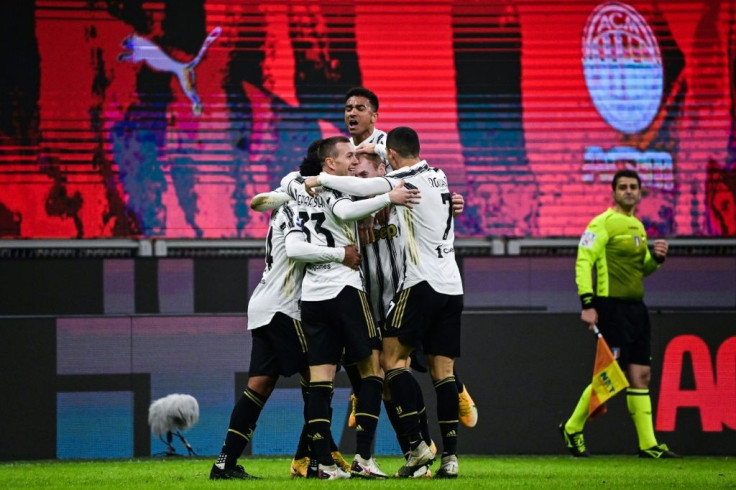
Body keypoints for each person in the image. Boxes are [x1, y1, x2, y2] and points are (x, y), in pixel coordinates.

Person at [306, 127, 465, 478]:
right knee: (394, 378)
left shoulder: (397, 191)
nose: (357, 177)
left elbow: (370, 189)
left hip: (411, 293)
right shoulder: (434, 177)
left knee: (393, 366)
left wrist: (319, 179)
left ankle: (414, 448)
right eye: (353, 171)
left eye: (364, 172)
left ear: (384, 166)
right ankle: (426, 453)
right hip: (385, 300)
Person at [209, 144, 362, 480]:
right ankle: (317, 463)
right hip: (283, 308)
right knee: (319, 381)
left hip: (264, 303)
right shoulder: (296, 208)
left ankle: (225, 463)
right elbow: (296, 250)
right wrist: (340, 254)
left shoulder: (287, 202)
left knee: (259, 387)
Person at [281, 135, 420, 479]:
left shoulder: (299, 190)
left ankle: (323, 464)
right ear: (330, 163)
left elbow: (288, 191)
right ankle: (363, 459)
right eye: (347, 156)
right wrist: (389, 196)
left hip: (313, 298)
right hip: (344, 290)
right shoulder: (335, 190)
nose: (352, 161)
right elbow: (345, 209)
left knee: (321, 381)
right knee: (373, 370)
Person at [344, 86, 479, 432]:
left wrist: (451, 200)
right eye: (347, 108)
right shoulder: (341, 153)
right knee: (374, 355)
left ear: (374, 115)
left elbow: (420, 185)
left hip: (402, 265)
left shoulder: (389, 147)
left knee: (405, 353)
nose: (351, 113)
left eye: (359, 107)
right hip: (367, 267)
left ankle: (456, 386)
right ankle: (414, 438)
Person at [559, 169, 681, 459]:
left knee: (642, 375)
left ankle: (648, 445)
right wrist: (587, 303)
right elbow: (583, 260)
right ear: (613, 192)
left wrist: (657, 260)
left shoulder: (638, 225)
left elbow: (642, 270)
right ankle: (573, 427)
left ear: (640, 192)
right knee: (611, 376)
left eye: (633, 187)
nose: (629, 191)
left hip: (637, 309)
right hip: (610, 307)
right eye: (623, 187)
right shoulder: (602, 223)